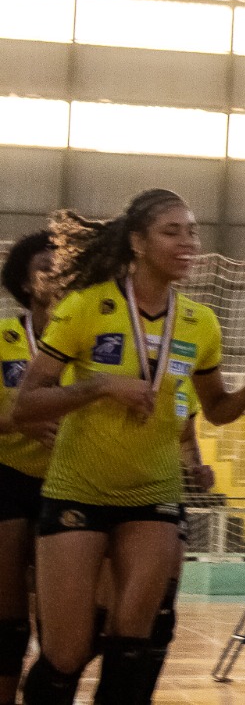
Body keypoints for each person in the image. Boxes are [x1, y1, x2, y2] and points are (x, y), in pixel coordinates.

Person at [15, 189, 245, 705]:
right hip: (77, 492)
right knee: (65, 655)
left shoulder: (201, 322)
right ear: (137, 242)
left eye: (192, 231)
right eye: (171, 232)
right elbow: (26, 405)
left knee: (133, 646)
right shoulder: (86, 306)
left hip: (153, 496)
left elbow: (216, 410)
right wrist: (100, 386)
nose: (188, 242)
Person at [0, 232, 56, 705]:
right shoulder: (3, 337)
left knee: (64, 624)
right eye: (45, 265)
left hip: (72, 482)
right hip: (8, 478)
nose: (56, 274)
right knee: (8, 618)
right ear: (24, 281)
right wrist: (22, 420)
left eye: (64, 267)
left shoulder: (89, 336)